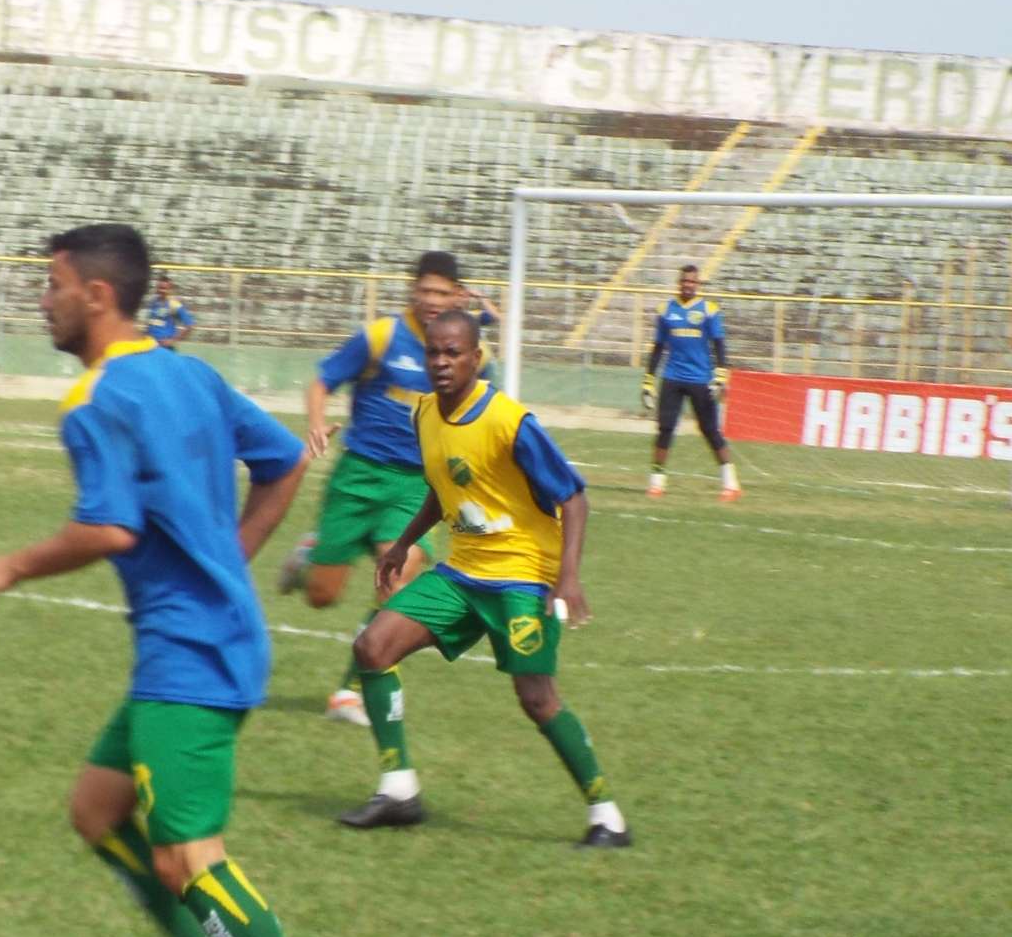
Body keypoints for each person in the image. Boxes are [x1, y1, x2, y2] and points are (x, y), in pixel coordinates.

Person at [0, 223, 367, 937]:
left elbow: (110, 528)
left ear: (96, 296)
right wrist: (234, 553)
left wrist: (8, 565)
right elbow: (287, 460)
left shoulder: (97, 398)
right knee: (98, 808)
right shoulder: (187, 370)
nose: (45, 300)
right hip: (200, 637)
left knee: (187, 853)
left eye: (53, 285)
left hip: (192, 648)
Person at [338, 308, 630, 848]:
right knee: (372, 647)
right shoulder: (424, 413)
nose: (443, 362)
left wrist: (567, 578)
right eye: (434, 351)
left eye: (455, 353)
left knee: (537, 699)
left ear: (476, 358)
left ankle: (606, 814)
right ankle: (399, 789)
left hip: (522, 578)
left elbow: (574, 495)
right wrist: (403, 542)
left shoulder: (509, 421)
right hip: (463, 575)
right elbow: (442, 483)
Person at [277, 250, 491, 727]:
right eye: (424, 290)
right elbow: (321, 380)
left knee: (400, 572)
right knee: (322, 596)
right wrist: (315, 425)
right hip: (359, 476)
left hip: (415, 485)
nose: (432, 300)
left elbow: (481, 410)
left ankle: (349, 691)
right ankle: (311, 556)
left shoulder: (473, 351)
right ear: (413, 290)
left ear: (458, 295)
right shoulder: (382, 336)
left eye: (442, 292)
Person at [644, 263, 739, 500]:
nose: (688, 285)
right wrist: (648, 380)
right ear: (680, 282)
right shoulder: (666, 310)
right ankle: (657, 482)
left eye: (693, 282)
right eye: (685, 281)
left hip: (701, 378)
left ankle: (731, 483)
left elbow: (719, 345)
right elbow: (658, 348)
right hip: (672, 377)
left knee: (710, 430)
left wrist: (721, 375)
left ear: (698, 284)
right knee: (665, 429)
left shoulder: (709, 309)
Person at [142, 273, 196, 348]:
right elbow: (151, 322)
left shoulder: (174, 304)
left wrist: (173, 340)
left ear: (170, 289)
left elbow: (189, 325)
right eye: (159, 287)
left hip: (165, 348)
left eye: (164, 288)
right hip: (151, 345)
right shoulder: (153, 302)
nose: (161, 290)